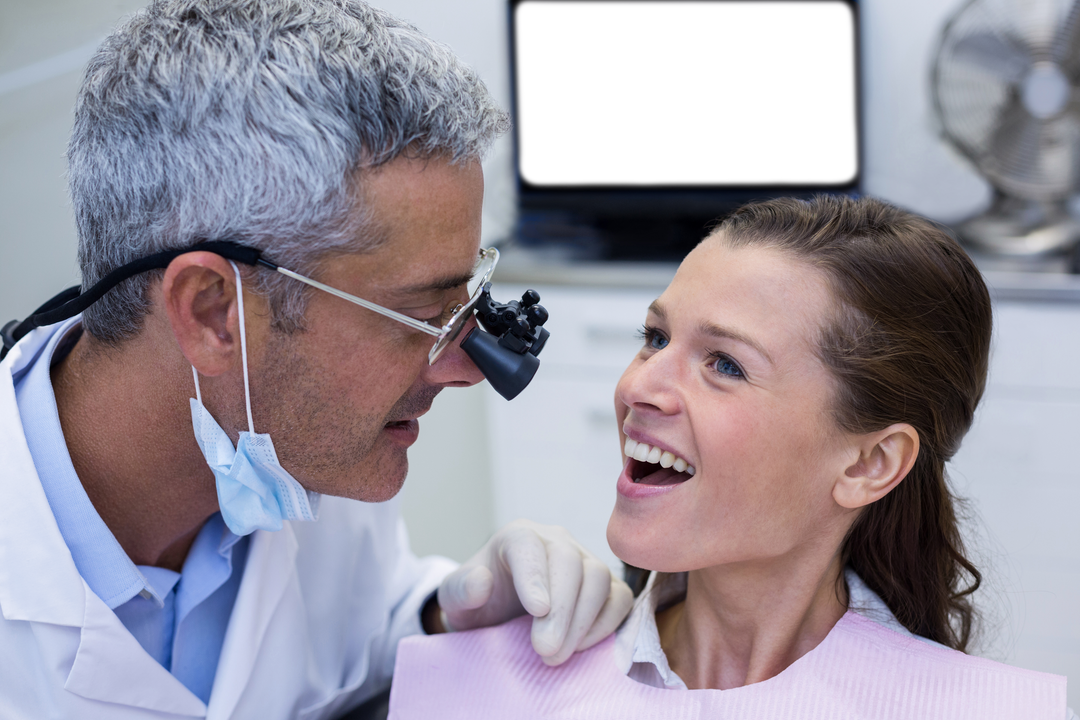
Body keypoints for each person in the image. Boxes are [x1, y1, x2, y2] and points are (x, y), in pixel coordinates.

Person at [0, 1, 634, 718]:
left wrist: (445, 613)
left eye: (465, 308)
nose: (463, 369)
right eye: (424, 318)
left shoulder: (293, 460)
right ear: (214, 312)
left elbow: (358, 632)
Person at [389, 196, 1074, 719]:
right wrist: (445, 619)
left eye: (725, 364)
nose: (640, 387)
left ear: (870, 464)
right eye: (655, 337)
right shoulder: (491, 685)